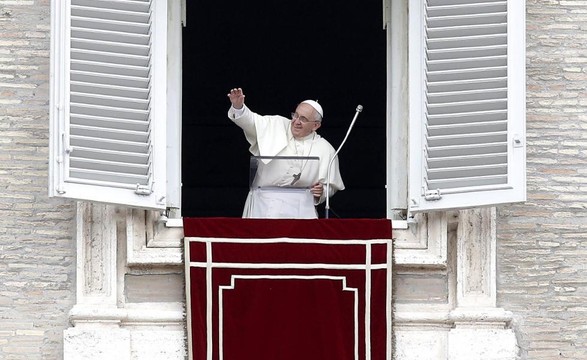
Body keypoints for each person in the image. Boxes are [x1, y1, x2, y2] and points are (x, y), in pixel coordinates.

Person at [227, 87, 344, 219]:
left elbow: (331, 185)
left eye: (303, 119)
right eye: (295, 115)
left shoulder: (325, 149)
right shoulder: (276, 124)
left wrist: (321, 192)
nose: (296, 121)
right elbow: (252, 122)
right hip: (263, 203)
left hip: (301, 208)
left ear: (316, 125)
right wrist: (238, 107)